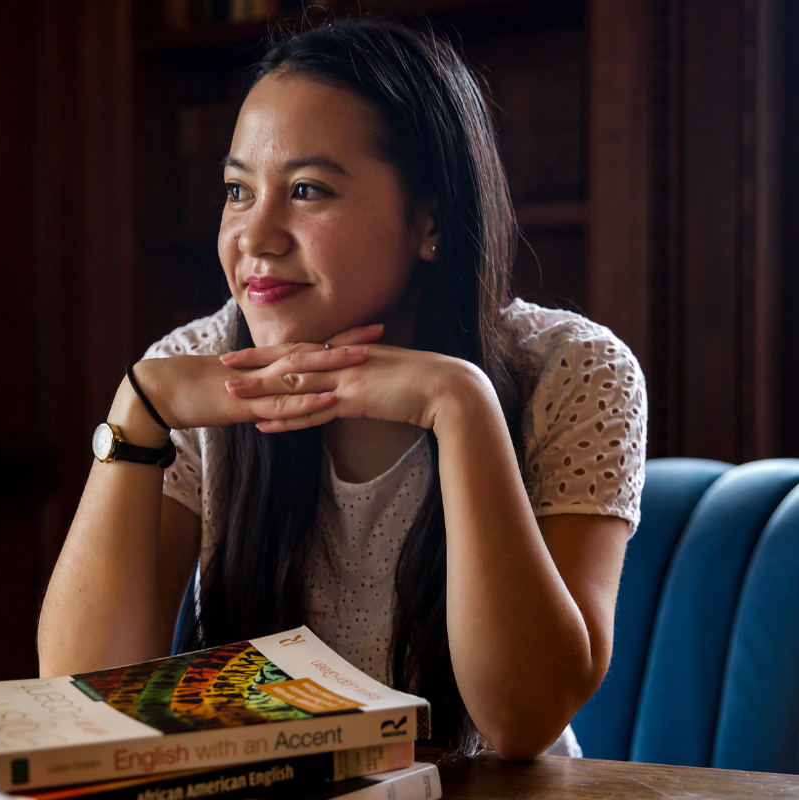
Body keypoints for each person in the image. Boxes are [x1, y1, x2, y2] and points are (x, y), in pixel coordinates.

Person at [36, 19, 644, 760]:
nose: (254, 236)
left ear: (431, 221)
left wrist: (463, 407)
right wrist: (133, 415)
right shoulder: (187, 369)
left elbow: (521, 721)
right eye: (237, 190)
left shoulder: (571, 369)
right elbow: (86, 701)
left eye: (306, 190)